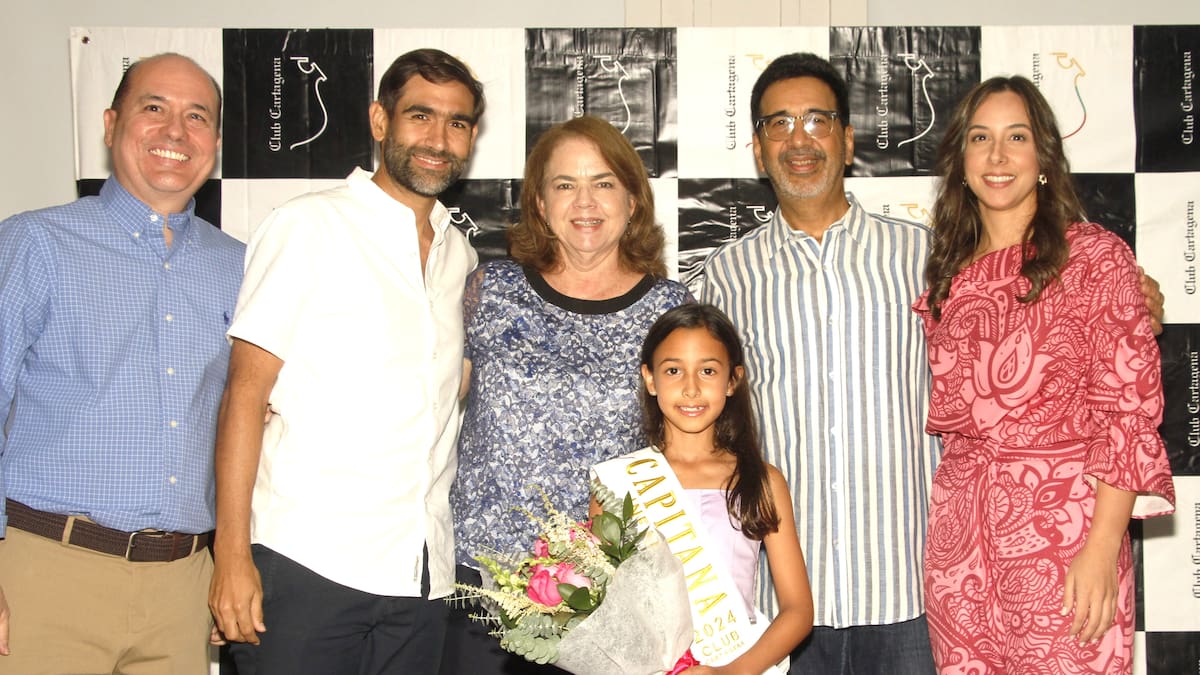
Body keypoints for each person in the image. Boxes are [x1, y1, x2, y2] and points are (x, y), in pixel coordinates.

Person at [700, 53, 1166, 674]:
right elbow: (691, 403)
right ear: (757, 148)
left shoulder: (927, 258)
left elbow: (1105, 361)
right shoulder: (722, 279)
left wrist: (1139, 298)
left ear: (848, 139)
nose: (799, 139)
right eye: (778, 124)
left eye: (817, 120)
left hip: (911, 590)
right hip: (789, 595)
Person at [207, 48, 482, 673]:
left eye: (458, 123)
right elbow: (245, 394)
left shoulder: (459, 257)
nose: (439, 139)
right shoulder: (308, 226)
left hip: (421, 576)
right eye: (421, 116)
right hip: (308, 565)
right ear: (380, 122)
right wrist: (231, 554)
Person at [914, 76, 1175, 674]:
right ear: (959, 161)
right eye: (980, 138)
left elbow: (1126, 414)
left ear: (1044, 161)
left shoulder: (1095, 258)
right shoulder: (945, 279)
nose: (997, 156)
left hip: (1065, 535)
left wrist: (1103, 547)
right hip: (961, 549)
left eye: (1017, 137)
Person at [0, 53, 244, 673]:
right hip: (48, 572)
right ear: (111, 125)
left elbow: (245, 425)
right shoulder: (35, 243)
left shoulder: (240, 266)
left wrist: (230, 567)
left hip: (182, 587)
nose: (175, 132)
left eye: (198, 117)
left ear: (214, 141)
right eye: (153, 108)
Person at [442, 115, 692, 675]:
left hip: (610, 596)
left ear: (632, 201)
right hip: (483, 586)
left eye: (603, 183)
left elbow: (691, 444)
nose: (585, 202)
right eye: (564, 185)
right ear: (539, 203)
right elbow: (429, 396)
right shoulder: (490, 291)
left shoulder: (669, 311)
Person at [592, 303, 814, 674]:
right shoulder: (616, 482)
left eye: (708, 371)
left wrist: (730, 673)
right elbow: (603, 608)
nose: (691, 388)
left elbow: (798, 610)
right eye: (674, 370)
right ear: (650, 379)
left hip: (739, 662)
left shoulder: (762, 480)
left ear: (733, 380)